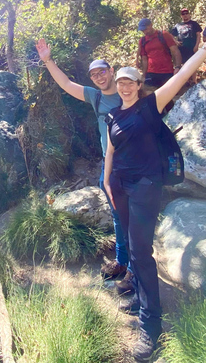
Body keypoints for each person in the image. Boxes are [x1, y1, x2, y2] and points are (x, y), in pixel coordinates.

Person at [104, 26, 206, 361]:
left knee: (140, 252)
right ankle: (141, 298)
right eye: (121, 82)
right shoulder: (113, 115)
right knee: (132, 245)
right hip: (120, 185)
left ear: (139, 84)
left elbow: (181, 76)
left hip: (145, 186)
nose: (125, 86)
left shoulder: (150, 106)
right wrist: (106, 181)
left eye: (130, 81)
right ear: (117, 86)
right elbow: (111, 150)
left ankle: (150, 326)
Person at [34, 39, 134, 294]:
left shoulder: (127, 92)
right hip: (109, 167)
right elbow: (67, 84)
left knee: (133, 218)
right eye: (94, 74)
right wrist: (48, 60)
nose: (99, 77)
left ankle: (135, 272)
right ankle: (122, 262)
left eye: (102, 72)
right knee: (118, 217)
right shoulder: (94, 96)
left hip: (133, 166)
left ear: (111, 71)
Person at [136, 18, 182, 92]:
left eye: (146, 29)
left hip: (166, 72)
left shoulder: (163, 35)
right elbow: (144, 59)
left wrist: (177, 67)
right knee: (150, 95)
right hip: (151, 73)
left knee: (168, 95)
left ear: (151, 25)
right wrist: (144, 75)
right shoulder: (143, 40)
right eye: (142, 30)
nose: (145, 32)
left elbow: (175, 51)